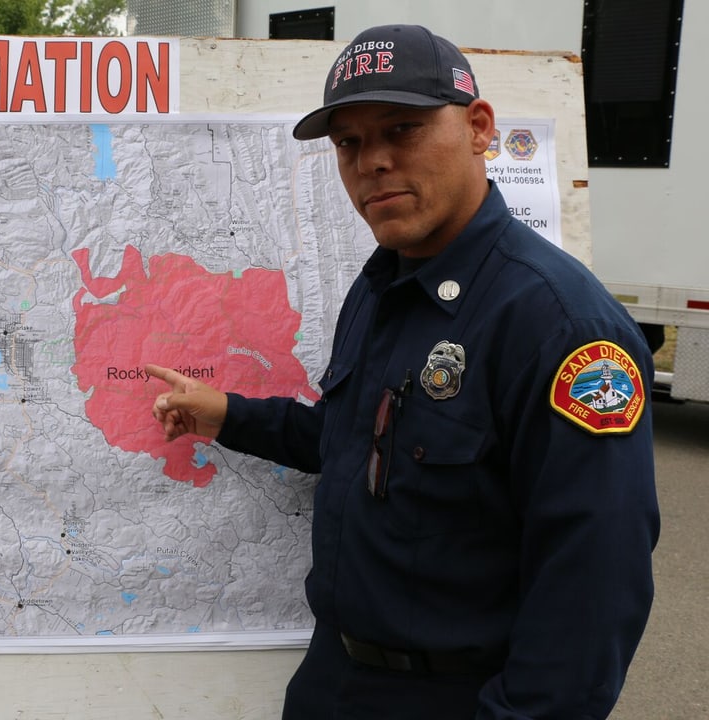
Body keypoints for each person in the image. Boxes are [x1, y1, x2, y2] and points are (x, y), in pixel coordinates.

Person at [147, 24, 659, 720]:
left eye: (402, 129)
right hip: (334, 682)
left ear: (480, 128)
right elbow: (353, 441)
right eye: (350, 142)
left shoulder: (562, 329)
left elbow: (592, 589)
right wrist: (231, 415)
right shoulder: (383, 285)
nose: (373, 162)